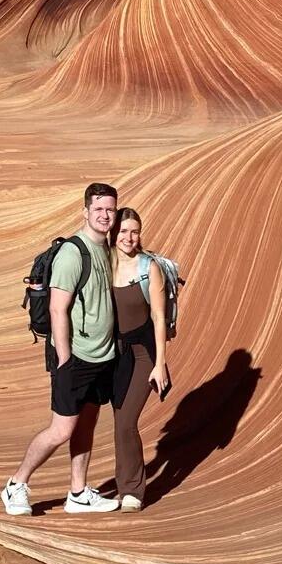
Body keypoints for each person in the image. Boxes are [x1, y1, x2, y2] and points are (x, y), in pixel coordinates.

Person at [1, 182, 122, 515]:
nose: (105, 215)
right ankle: (16, 485)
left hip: (102, 355)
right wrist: (65, 358)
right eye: (98, 209)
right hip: (75, 356)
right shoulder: (74, 252)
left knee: (86, 424)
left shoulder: (105, 249)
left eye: (110, 209)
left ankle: (78, 492)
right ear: (85, 212)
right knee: (62, 428)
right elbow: (57, 308)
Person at [107, 207, 171, 509]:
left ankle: (133, 490)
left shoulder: (149, 268)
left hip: (144, 354)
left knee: (126, 421)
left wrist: (160, 364)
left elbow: (159, 317)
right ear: (113, 233)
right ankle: (124, 486)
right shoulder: (104, 264)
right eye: (123, 231)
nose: (129, 238)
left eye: (134, 231)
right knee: (120, 420)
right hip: (115, 355)